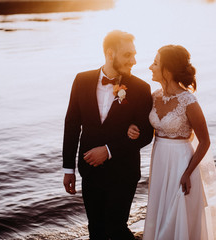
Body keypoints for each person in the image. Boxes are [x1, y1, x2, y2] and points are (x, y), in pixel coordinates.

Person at [128, 45, 216, 239]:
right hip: (159, 162)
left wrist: (187, 173)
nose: (150, 67)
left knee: (177, 217)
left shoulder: (188, 101)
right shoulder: (154, 96)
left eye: (155, 63)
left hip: (181, 164)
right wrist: (132, 128)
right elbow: (144, 128)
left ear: (167, 70)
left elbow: (204, 142)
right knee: (161, 210)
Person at [62, 30, 154, 240]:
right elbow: (72, 125)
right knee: (95, 229)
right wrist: (68, 169)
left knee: (116, 226)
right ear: (110, 54)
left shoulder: (141, 89)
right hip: (90, 169)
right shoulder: (82, 80)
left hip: (123, 172)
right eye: (127, 55)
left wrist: (109, 151)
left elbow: (147, 134)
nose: (134, 60)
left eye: (134, 54)